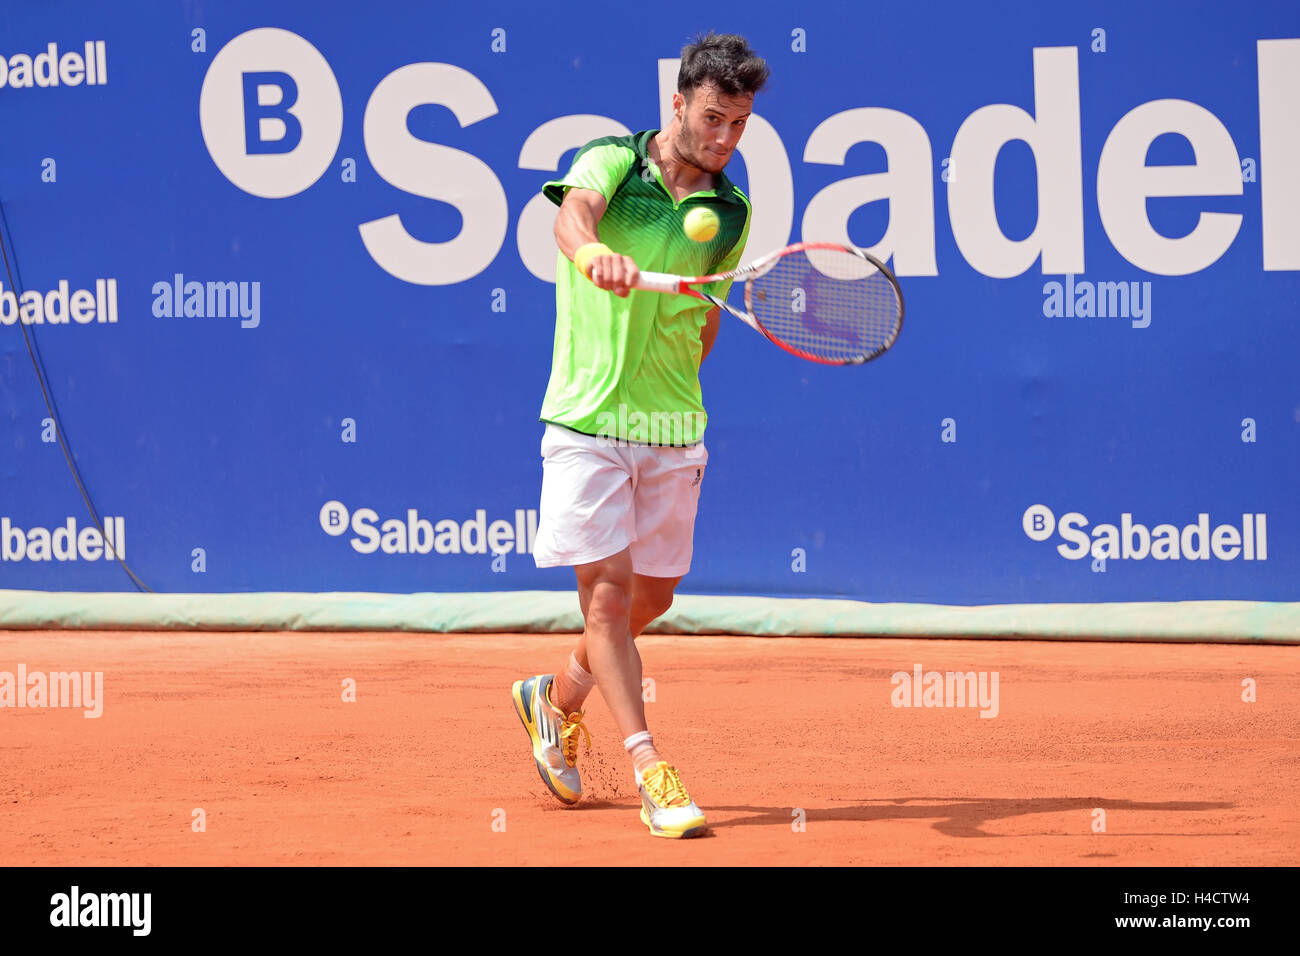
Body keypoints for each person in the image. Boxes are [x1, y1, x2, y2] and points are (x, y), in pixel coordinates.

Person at [512, 31, 768, 839]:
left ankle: (552, 702)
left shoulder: (731, 209)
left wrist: (678, 385)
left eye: (740, 124)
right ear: (679, 103)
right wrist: (593, 257)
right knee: (611, 595)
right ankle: (652, 767)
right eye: (714, 117)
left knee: (651, 598)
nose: (726, 138)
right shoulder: (610, 162)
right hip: (587, 416)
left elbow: (705, 321)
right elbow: (571, 219)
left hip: (671, 423)